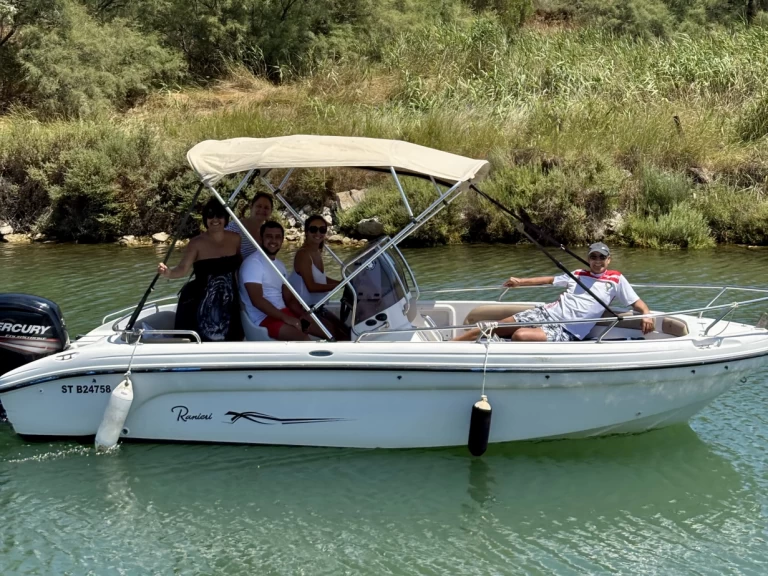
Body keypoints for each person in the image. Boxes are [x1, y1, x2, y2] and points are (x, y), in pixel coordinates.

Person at [454, 242, 654, 342]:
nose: (597, 261)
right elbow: (549, 280)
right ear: (589, 258)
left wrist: (646, 315)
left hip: (568, 330)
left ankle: (492, 348)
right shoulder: (578, 273)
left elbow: (637, 303)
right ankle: (453, 345)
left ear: (608, 260)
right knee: (490, 326)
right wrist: (520, 282)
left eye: (601, 257)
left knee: (521, 336)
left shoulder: (616, 279)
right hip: (546, 313)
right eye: (593, 257)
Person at [158, 198, 243, 342]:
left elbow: (238, 269)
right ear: (205, 219)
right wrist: (168, 273)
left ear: (226, 218)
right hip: (204, 304)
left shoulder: (236, 239)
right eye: (210, 215)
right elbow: (183, 269)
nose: (215, 219)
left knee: (233, 341)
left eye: (219, 215)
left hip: (230, 301)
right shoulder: (196, 243)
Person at [239, 220, 332, 341]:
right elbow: (258, 301)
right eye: (269, 236)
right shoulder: (253, 263)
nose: (273, 241)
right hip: (263, 318)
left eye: (277, 237)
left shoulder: (280, 265)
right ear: (261, 239)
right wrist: (286, 318)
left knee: (329, 331)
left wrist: (303, 315)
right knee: (304, 340)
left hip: (283, 312)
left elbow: (289, 299)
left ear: (282, 240)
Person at [288, 215, 347, 340]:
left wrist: (346, 283)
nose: (318, 233)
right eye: (313, 229)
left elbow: (322, 279)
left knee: (346, 330)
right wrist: (339, 285)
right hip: (304, 311)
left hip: (316, 307)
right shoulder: (303, 254)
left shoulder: (316, 252)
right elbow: (312, 286)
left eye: (322, 230)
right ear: (307, 232)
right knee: (338, 336)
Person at [225, 192, 274, 259]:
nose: (262, 210)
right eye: (259, 206)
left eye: (266, 208)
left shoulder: (266, 233)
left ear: (271, 211)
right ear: (251, 207)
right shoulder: (235, 227)